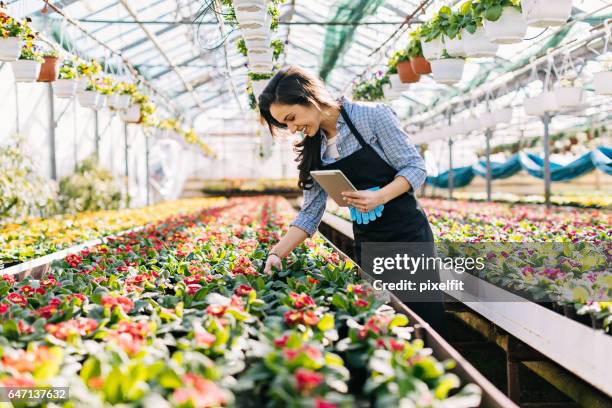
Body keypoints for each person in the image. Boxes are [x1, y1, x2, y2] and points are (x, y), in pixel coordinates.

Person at [258, 66, 446, 335]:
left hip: (408, 235)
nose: (292, 128)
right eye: (284, 124)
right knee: (383, 318)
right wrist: (277, 253)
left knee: (422, 316)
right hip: (368, 240)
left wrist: (379, 196)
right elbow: (310, 212)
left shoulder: (371, 117)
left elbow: (415, 168)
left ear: (308, 98)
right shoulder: (314, 147)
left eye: (290, 118)